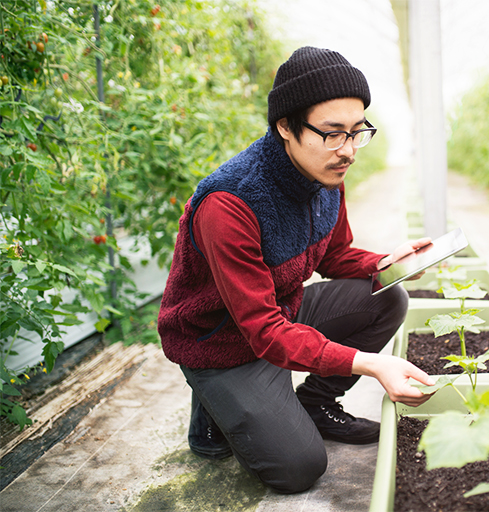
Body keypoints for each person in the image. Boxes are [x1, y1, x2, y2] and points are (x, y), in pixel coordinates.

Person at [157, 46, 434, 494]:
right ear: (285, 126)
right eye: (332, 133)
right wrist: (370, 364)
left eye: (357, 132)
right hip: (222, 340)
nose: (348, 151)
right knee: (298, 467)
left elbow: (334, 256)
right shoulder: (231, 204)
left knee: (388, 294)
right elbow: (262, 330)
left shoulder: (326, 176)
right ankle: (212, 401)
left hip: (280, 310)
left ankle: (316, 404)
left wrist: (386, 264)